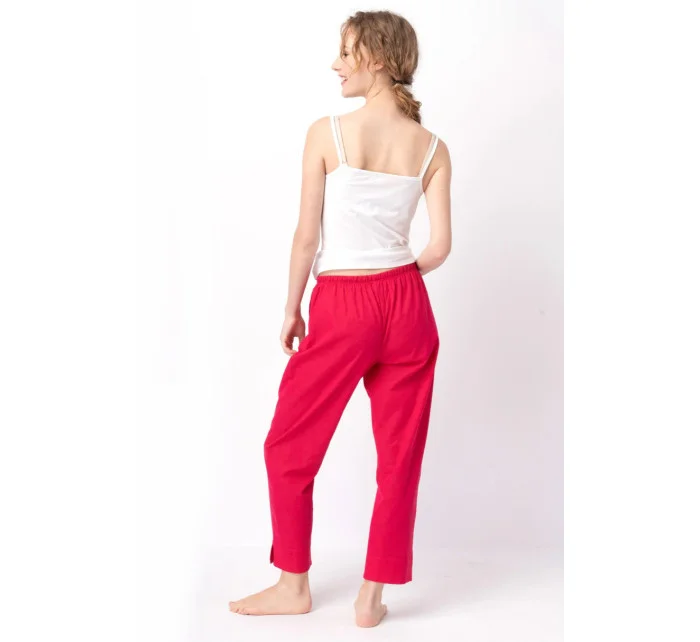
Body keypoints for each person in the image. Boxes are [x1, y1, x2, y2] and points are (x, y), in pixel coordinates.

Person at [228, 9, 452, 628]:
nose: (336, 65)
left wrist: (292, 306)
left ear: (377, 58)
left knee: (289, 445)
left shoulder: (327, 133)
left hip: (343, 304)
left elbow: (307, 236)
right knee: (400, 456)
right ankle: (371, 598)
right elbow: (438, 247)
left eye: (346, 53)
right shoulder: (434, 148)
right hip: (409, 305)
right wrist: (398, 282)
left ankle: (293, 585)